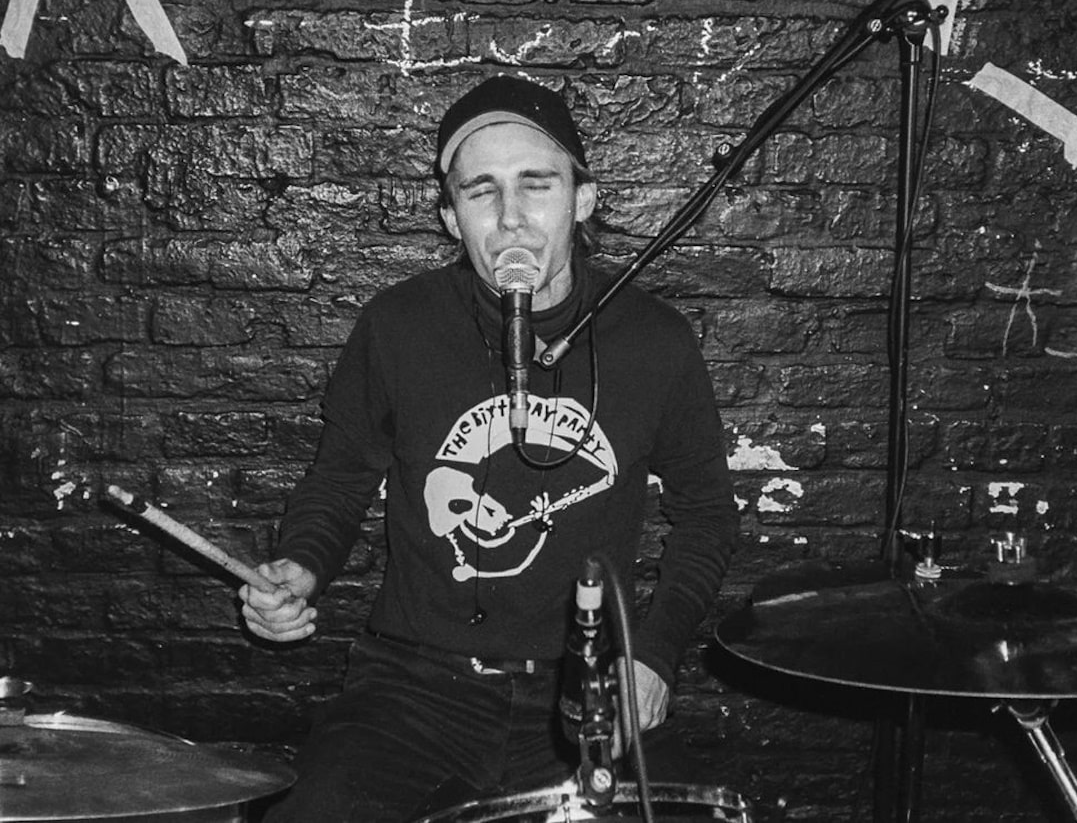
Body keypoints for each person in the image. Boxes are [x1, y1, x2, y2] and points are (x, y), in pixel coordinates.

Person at [240, 73, 739, 823]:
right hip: (414, 687)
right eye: (482, 192)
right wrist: (301, 566)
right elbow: (340, 479)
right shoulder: (399, 324)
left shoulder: (655, 339)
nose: (510, 218)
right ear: (451, 216)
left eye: (536, 185)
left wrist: (655, 655)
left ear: (583, 199)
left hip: (583, 685)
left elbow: (708, 516)